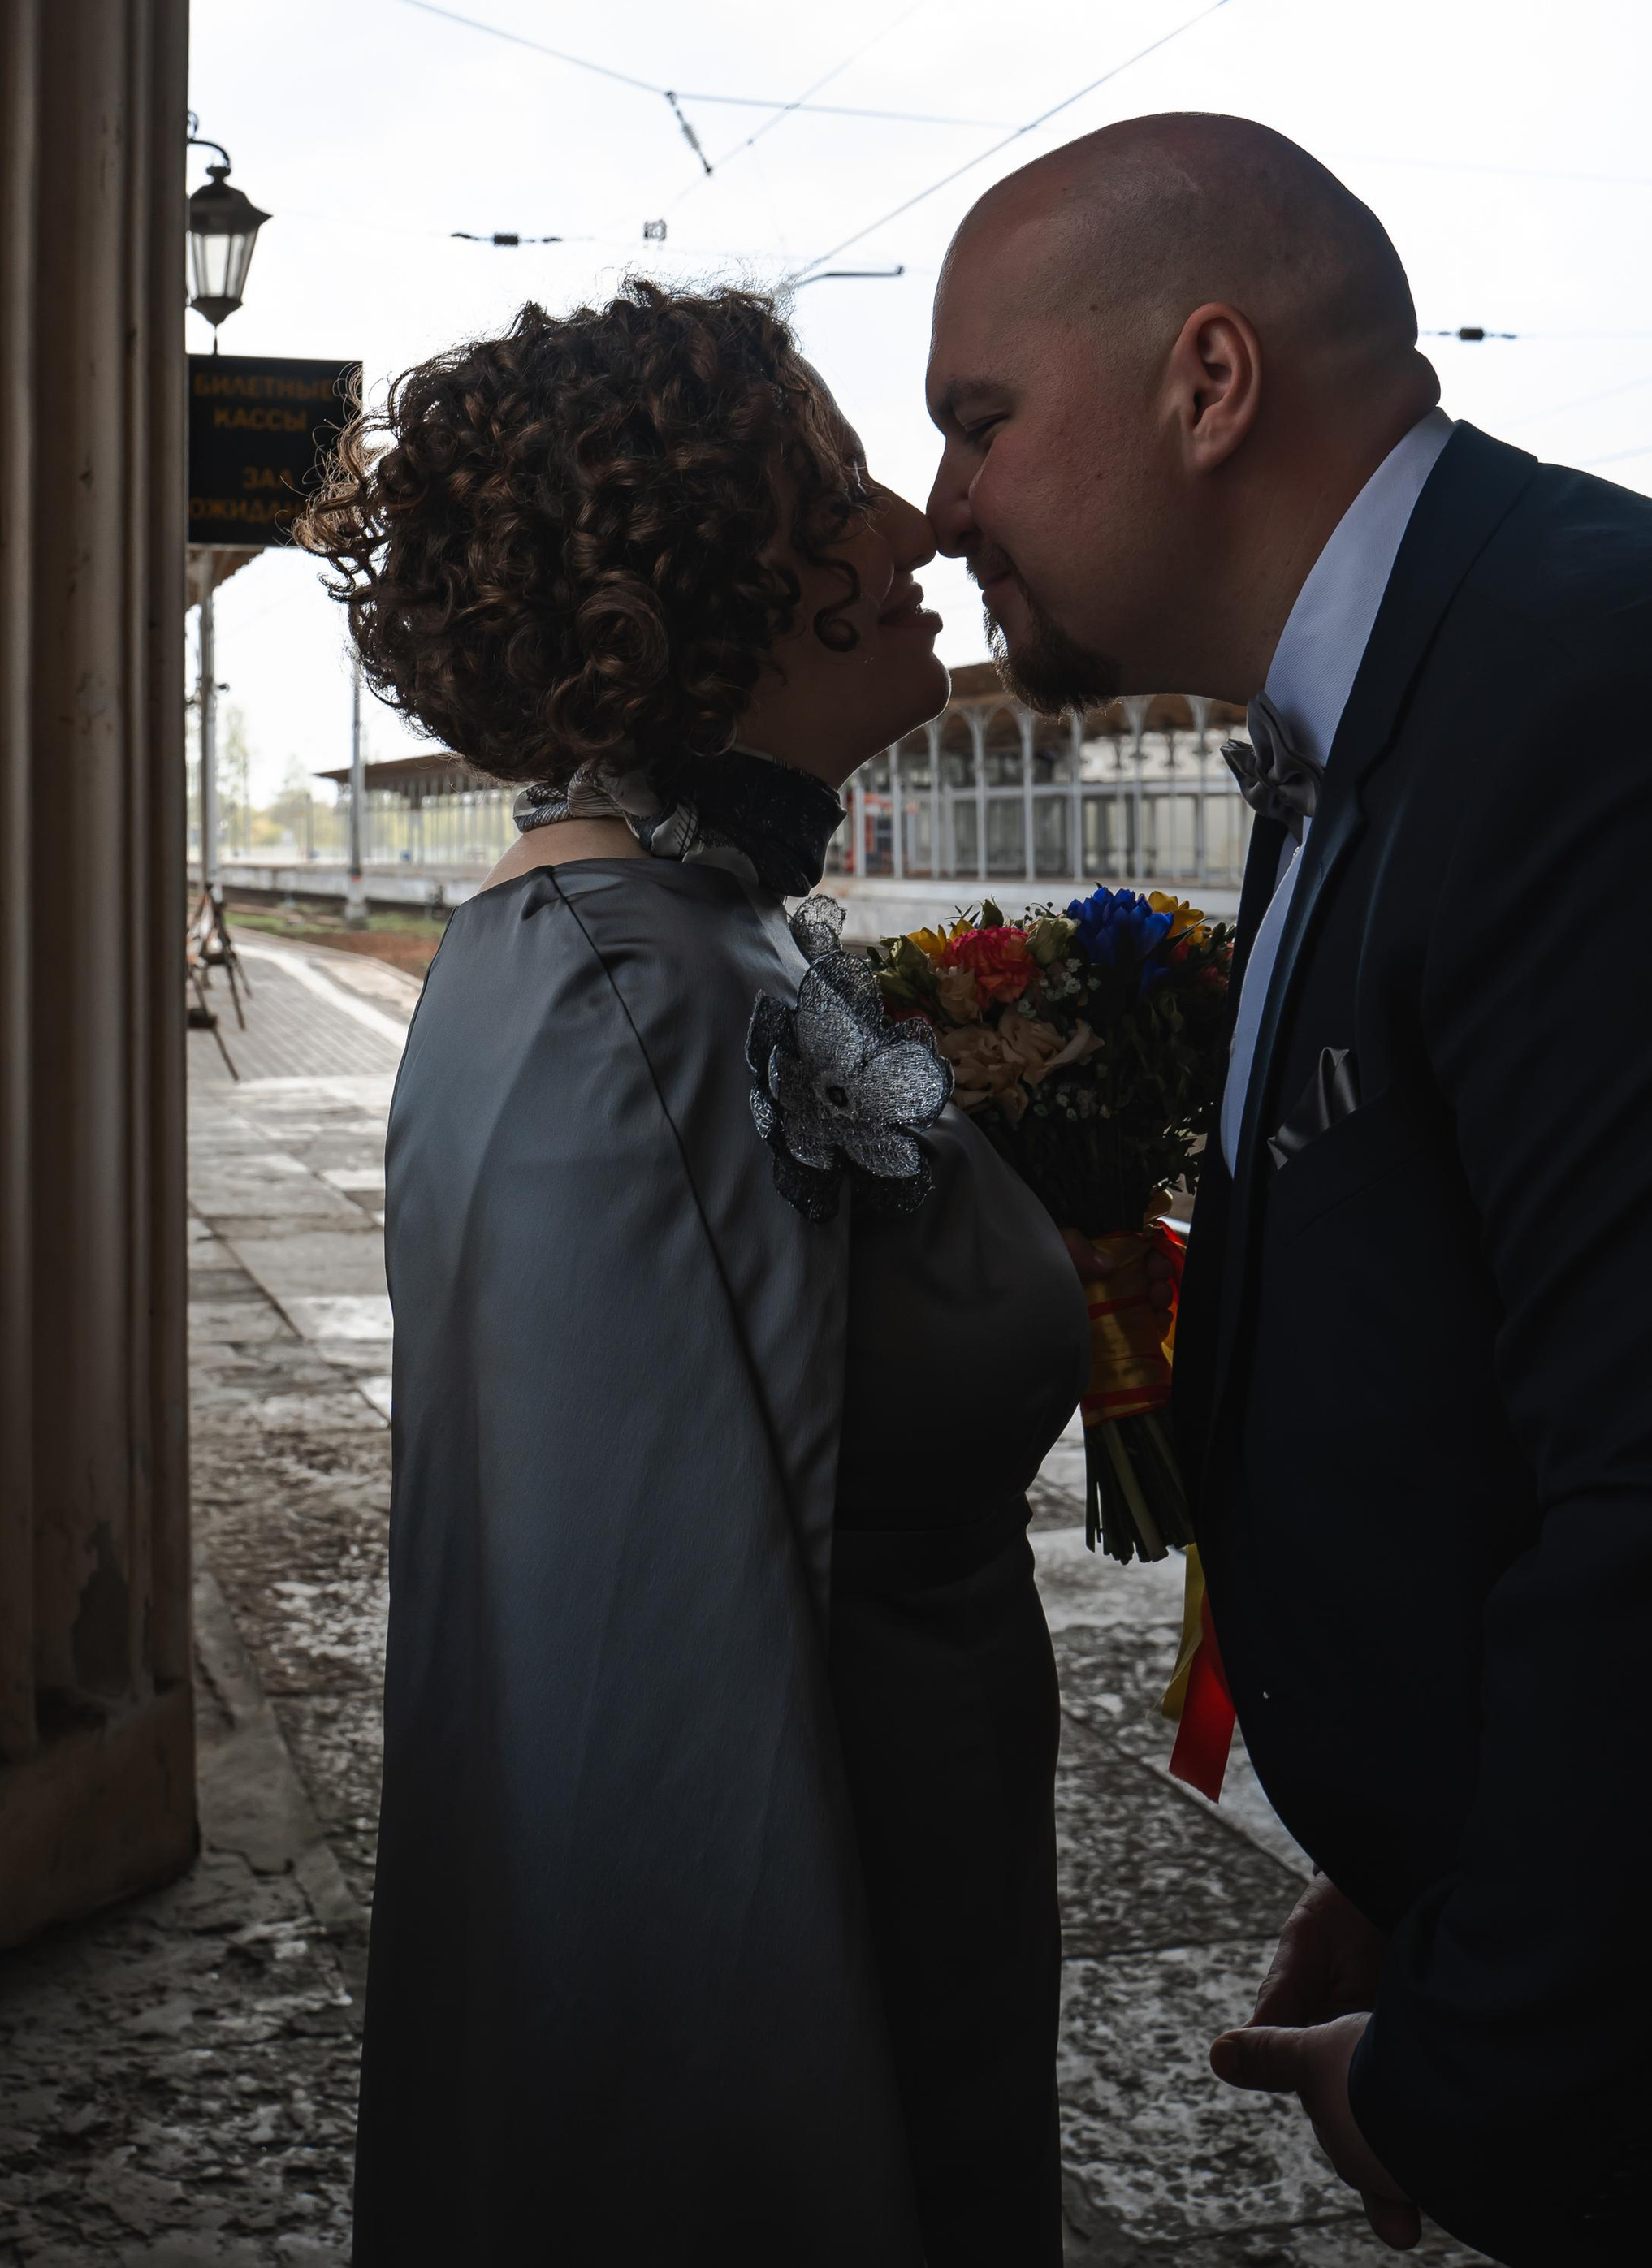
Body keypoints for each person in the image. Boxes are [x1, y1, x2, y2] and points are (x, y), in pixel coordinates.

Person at [923, 110, 1652, 2268]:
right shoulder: (1396, 705)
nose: (940, 502)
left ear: (1210, 383)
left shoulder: (1579, 702)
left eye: (979, 417)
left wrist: (1489, 2060)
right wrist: (1438, 1858)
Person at [305, 281, 1088, 2267]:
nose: (914, 528)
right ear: (701, 568)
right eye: (838, 487)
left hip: (919, 1926)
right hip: (805, 2031)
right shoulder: (619, 1000)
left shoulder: (689, 936)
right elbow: (644, 1755)